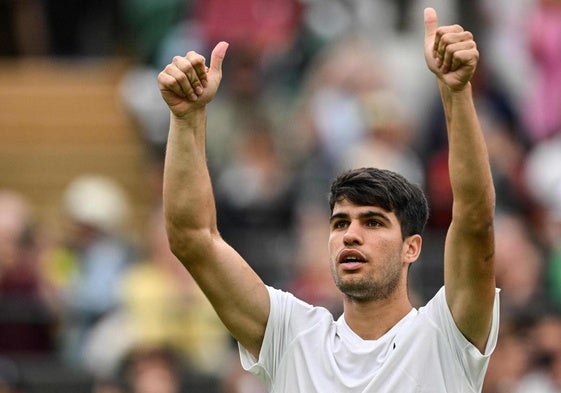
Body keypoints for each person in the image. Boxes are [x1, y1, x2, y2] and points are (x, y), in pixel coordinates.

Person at [157, 7, 499, 392]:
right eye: (340, 223)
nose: (351, 235)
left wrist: (455, 92)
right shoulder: (290, 336)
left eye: (373, 222)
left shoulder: (446, 335)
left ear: (412, 248)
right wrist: (186, 120)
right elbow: (193, 238)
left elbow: (475, 219)